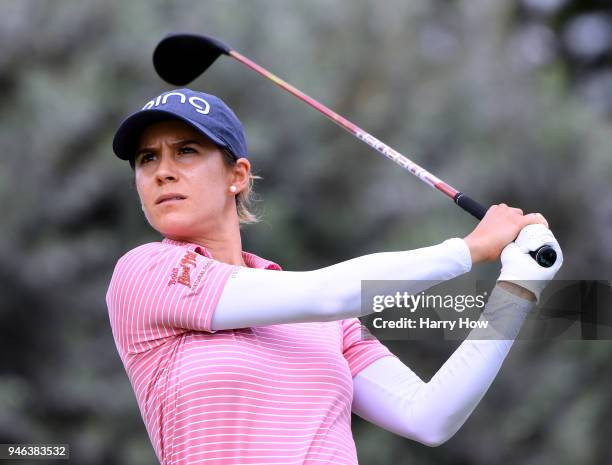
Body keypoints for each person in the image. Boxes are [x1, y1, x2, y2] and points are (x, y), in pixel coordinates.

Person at [106, 88, 563, 465]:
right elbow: (327, 293)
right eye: (147, 159)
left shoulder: (326, 323)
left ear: (237, 175)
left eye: (186, 151)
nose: (162, 171)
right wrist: (468, 250)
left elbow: (428, 417)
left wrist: (517, 288)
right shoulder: (144, 273)